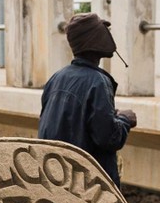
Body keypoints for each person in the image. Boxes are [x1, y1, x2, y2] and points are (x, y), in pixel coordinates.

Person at [38, 13, 138, 185]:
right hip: (87, 184)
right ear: (94, 39)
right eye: (102, 30)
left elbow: (70, 121)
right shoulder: (98, 82)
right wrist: (125, 119)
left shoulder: (57, 77)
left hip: (58, 178)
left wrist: (109, 115)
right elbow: (108, 138)